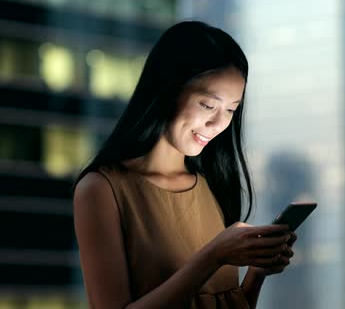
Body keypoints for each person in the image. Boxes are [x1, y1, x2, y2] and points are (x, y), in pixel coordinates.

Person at [73, 21, 298, 309]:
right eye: (207, 105)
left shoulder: (213, 183)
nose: (218, 124)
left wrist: (257, 271)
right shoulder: (103, 190)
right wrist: (214, 256)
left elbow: (229, 302)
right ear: (168, 89)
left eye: (231, 109)